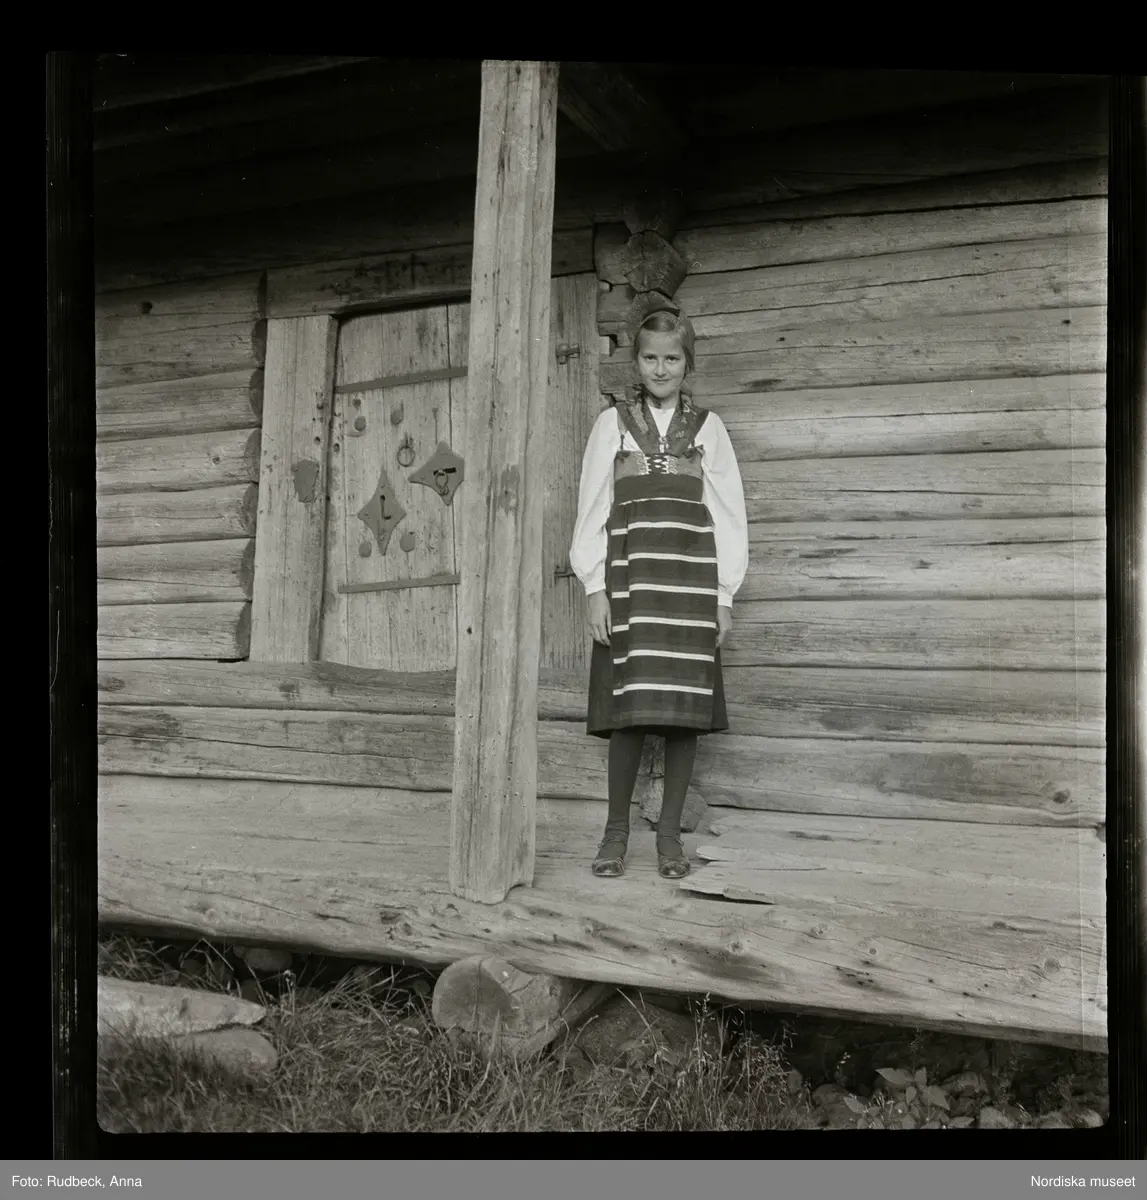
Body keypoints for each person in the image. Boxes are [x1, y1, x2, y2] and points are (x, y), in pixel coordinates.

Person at [568, 302, 748, 879]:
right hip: (629, 582)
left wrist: (723, 596)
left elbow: (729, 515)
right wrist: (594, 587)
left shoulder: (708, 429)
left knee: (682, 711)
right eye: (650, 358)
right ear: (637, 363)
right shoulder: (613, 425)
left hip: (690, 585)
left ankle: (669, 838)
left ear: (687, 362)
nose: (661, 369)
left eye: (672, 359)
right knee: (629, 711)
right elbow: (592, 507)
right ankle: (615, 834)